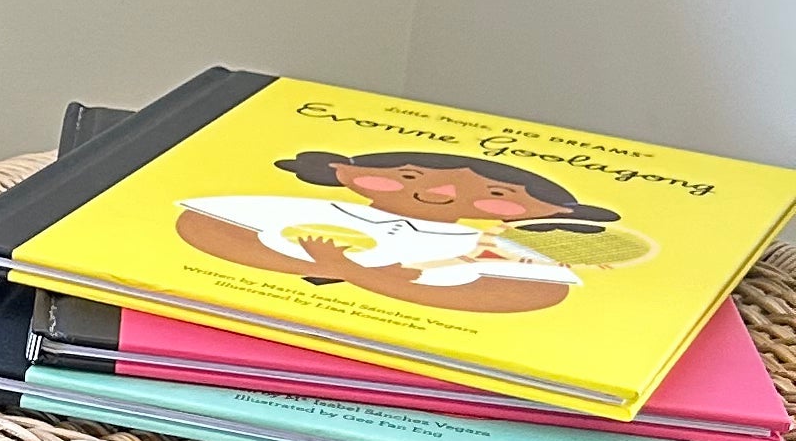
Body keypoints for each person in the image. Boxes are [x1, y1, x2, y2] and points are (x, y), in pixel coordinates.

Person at [172, 146, 627, 316]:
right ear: (341, 172)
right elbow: (204, 227)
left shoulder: (497, 248)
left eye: (495, 192)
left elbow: (531, 296)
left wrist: (352, 272)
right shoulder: (296, 208)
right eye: (409, 176)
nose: (442, 192)